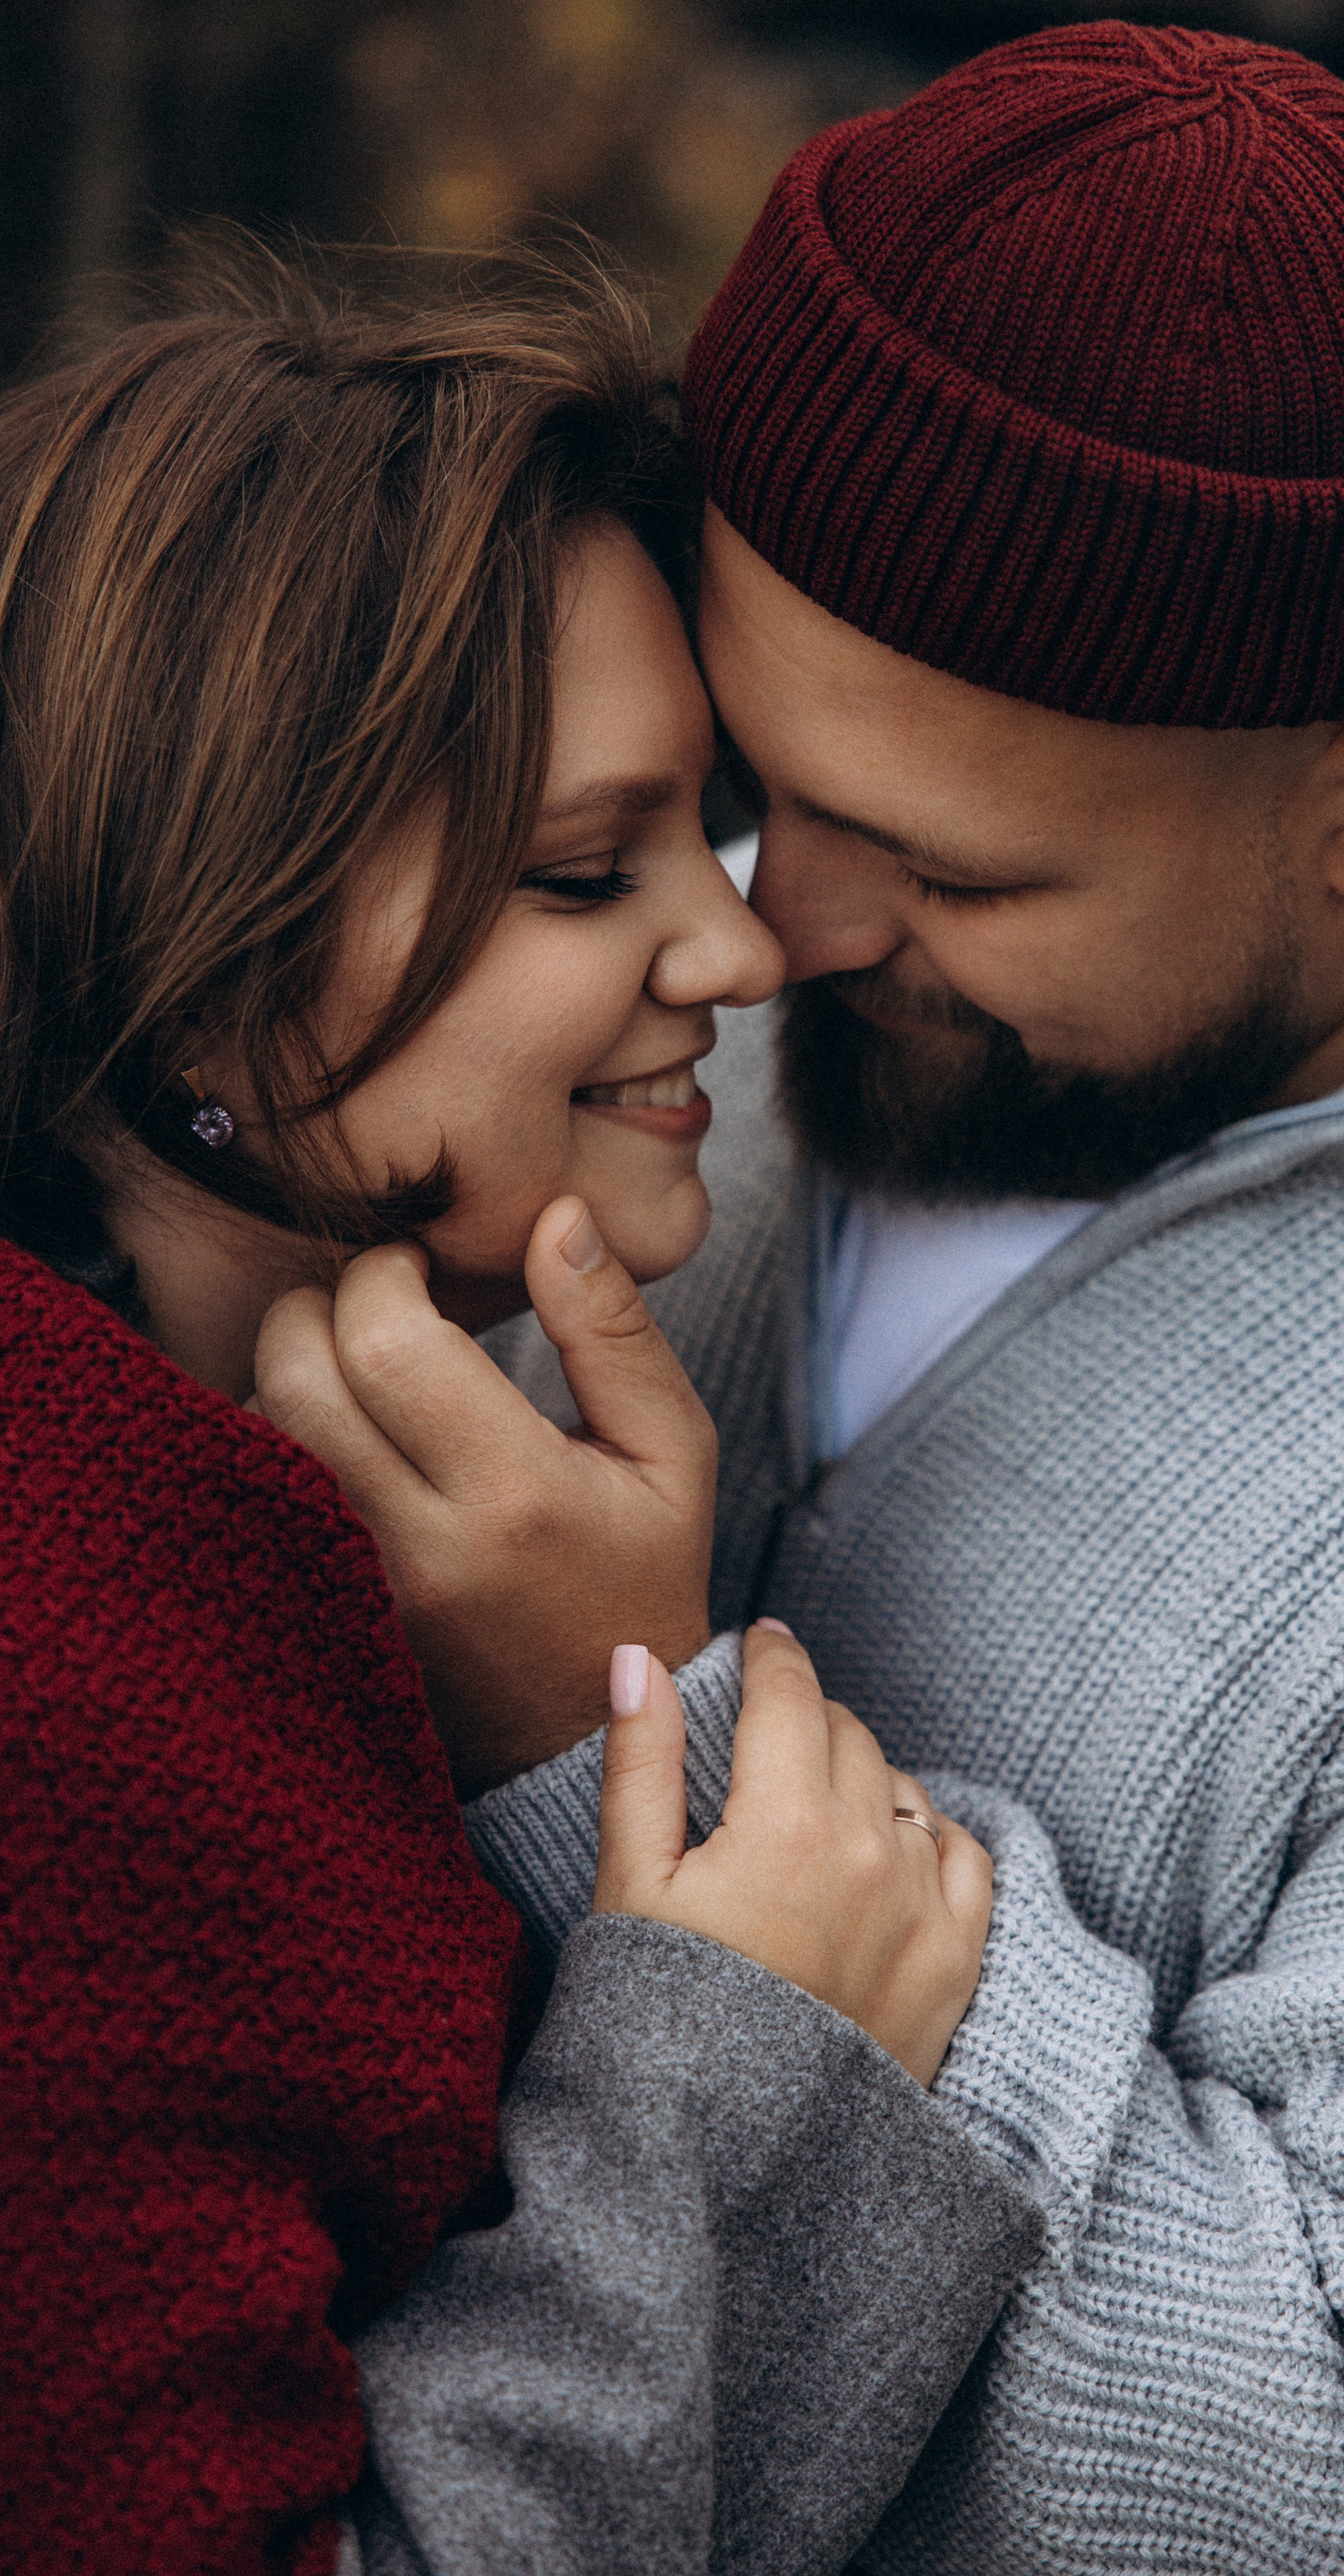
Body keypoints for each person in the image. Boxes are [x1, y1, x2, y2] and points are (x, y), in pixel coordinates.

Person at [278, 25, 1344, 2574]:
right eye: (758, 777)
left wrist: (649, 1747)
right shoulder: (648, 908)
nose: (769, 932)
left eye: (950, 867)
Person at [0, 244, 1045, 2575]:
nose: (744, 950)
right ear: (198, 937)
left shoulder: (215, 1491)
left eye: (718, 825)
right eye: (590, 868)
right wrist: (731, 2067)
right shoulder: (61, 1670)